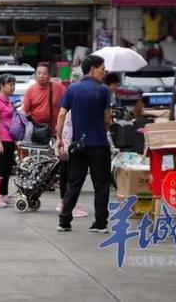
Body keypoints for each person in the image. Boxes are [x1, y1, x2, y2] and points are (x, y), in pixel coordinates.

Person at [55, 55, 112, 233]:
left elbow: (62, 115)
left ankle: (64, 221)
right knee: (101, 184)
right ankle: (100, 223)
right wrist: (102, 130)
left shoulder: (72, 88)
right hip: (99, 145)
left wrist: (59, 138)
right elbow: (107, 118)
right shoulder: (103, 90)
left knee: (74, 182)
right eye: (102, 69)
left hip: (78, 144)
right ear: (92, 69)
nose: (104, 72)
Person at [56, 68, 88, 218]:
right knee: (71, 172)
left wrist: (58, 137)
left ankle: (64, 202)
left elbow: (61, 116)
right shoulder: (78, 94)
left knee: (66, 171)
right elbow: (63, 116)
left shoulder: (68, 93)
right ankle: (67, 204)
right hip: (71, 139)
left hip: (65, 137)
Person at [0, 74, 17, 208]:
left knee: (7, 168)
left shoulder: (8, 99)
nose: (12, 87)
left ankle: (4, 195)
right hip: (1, 138)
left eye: (13, 84)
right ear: (1, 86)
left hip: (10, 138)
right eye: (10, 84)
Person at [22, 62, 66, 143]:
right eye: (38, 73)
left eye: (44, 73)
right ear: (35, 75)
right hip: (37, 129)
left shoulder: (59, 88)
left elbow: (66, 106)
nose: (41, 76)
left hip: (56, 129)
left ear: (49, 75)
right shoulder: (30, 90)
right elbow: (25, 111)